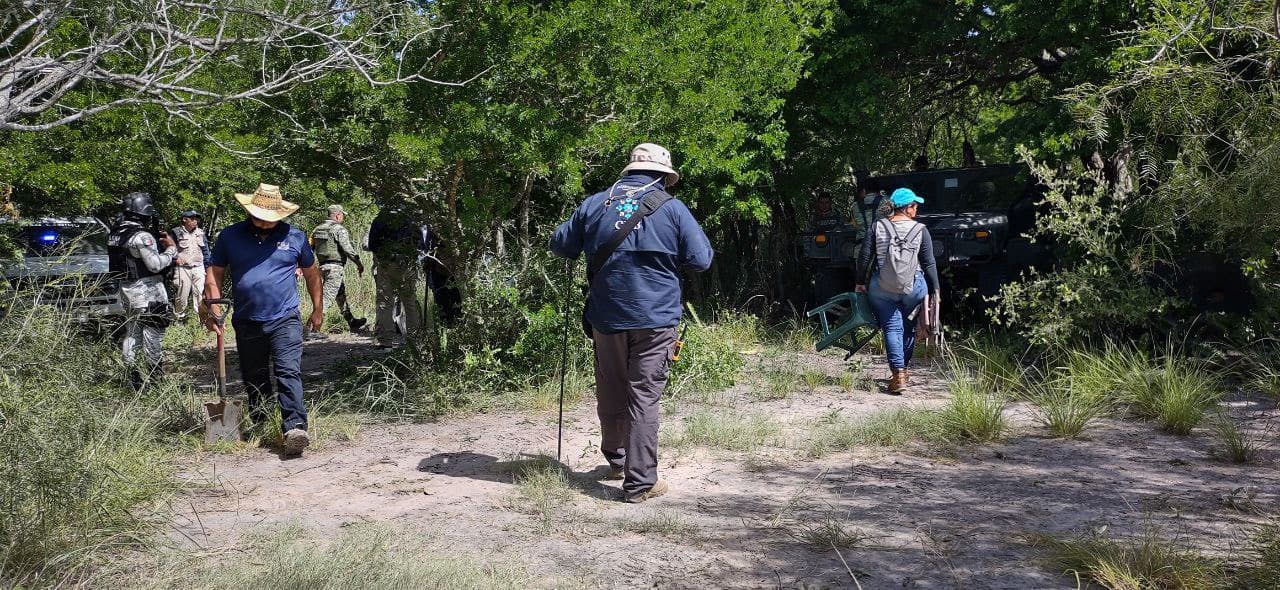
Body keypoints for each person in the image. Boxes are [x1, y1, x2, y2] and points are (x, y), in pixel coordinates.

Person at [550, 143, 714, 503]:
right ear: (663, 176)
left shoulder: (595, 204)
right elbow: (701, 260)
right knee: (644, 395)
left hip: (606, 317)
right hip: (656, 319)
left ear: (631, 170)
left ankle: (618, 459)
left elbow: (560, 245)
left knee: (611, 385)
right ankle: (641, 483)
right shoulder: (673, 209)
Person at [203, 183, 323, 457]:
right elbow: (215, 273)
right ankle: (260, 421)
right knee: (254, 376)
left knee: (288, 370)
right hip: (246, 319)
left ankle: (295, 428)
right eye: (258, 216)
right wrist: (212, 307)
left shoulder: (295, 237)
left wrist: (318, 308)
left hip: (285, 317)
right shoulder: (230, 236)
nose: (263, 222)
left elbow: (312, 273)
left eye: (269, 218)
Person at [855, 188, 940, 394]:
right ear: (907, 207)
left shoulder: (878, 226)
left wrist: (860, 282)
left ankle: (898, 374)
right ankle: (903, 370)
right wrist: (936, 288)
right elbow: (929, 263)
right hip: (913, 288)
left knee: (892, 327)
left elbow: (864, 257)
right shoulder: (921, 229)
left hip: (882, 288)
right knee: (908, 326)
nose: (916, 208)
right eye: (914, 205)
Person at [108, 192, 177, 390]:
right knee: (153, 335)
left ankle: (133, 380)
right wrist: (171, 251)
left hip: (126, 291)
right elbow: (155, 265)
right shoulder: (142, 236)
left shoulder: (115, 234)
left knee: (132, 334)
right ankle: (156, 381)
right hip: (148, 291)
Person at [366, 206, 422, 349]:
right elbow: (420, 244)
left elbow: (372, 244)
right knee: (409, 303)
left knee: (385, 302)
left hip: (386, 265)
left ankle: (385, 342)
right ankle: (414, 341)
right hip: (407, 265)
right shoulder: (410, 220)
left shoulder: (380, 220)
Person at [310, 204, 367, 335]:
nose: (343, 218)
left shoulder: (317, 229)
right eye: (342, 216)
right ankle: (312, 330)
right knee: (326, 299)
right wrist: (358, 263)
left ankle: (351, 321)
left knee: (340, 295)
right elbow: (348, 249)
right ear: (337, 215)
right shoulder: (338, 229)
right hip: (335, 268)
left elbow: (309, 248)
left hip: (322, 267)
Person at [170, 210, 211, 319]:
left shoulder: (201, 233)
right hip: (183, 268)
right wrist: (175, 259)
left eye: (196, 219)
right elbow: (168, 249)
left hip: (199, 267)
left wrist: (208, 269)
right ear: (184, 219)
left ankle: (200, 319)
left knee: (199, 294)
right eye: (192, 219)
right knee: (182, 295)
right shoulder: (176, 232)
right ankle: (178, 319)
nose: (195, 221)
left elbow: (206, 251)